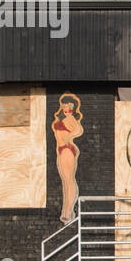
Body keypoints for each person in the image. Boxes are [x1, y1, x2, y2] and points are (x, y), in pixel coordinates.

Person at [52, 94, 84, 223]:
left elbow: (79, 129)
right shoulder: (63, 119)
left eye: (69, 107)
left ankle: (68, 210)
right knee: (66, 181)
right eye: (65, 107)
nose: (67, 110)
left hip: (66, 149)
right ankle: (67, 210)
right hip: (62, 150)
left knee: (69, 179)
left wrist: (68, 137)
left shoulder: (70, 119)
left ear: (73, 109)